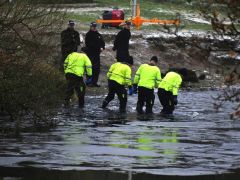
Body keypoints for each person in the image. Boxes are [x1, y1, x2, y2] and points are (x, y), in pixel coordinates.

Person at [85, 22, 105, 87]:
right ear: (90, 27)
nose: (94, 28)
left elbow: (102, 42)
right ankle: (89, 82)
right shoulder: (88, 35)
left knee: (97, 69)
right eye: (93, 27)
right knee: (90, 68)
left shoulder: (98, 34)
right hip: (90, 54)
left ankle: (94, 82)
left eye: (95, 27)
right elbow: (89, 44)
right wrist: (98, 48)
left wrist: (102, 47)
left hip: (97, 54)